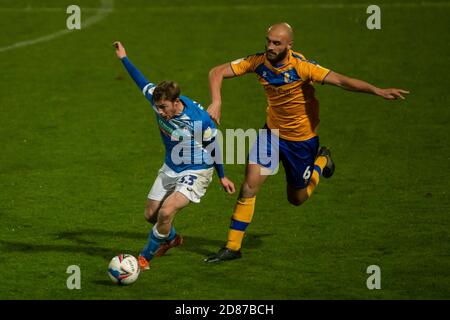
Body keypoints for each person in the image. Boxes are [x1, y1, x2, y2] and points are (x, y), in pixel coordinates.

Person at [204, 23, 409, 263]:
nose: (270, 47)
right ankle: (232, 247)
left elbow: (342, 81)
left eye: (276, 43)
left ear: (289, 45)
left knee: (297, 199)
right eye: (268, 41)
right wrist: (216, 101)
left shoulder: (303, 67)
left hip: (302, 141)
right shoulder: (257, 62)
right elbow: (216, 72)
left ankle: (322, 161)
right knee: (249, 185)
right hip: (272, 134)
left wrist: (377, 91)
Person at [113, 41, 236, 270]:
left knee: (167, 210)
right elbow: (139, 80)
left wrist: (222, 176)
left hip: (197, 169)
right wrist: (124, 58)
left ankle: (142, 259)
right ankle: (172, 239)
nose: (159, 112)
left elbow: (213, 147)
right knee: (152, 215)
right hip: (171, 165)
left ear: (176, 102)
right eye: (157, 107)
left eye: (163, 108)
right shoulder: (157, 99)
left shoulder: (199, 120)